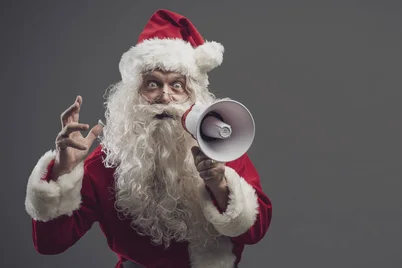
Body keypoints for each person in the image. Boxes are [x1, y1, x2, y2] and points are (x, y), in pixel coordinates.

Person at [24, 9, 272, 268]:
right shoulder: (106, 163)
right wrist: (64, 171)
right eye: (152, 84)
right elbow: (51, 244)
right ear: (133, 95)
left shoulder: (221, 150)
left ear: (193, 96)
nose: (165, 96)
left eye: (177, 85)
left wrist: (219, 184)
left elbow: (256, 231)